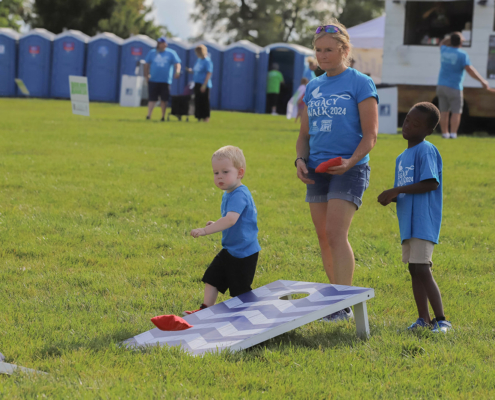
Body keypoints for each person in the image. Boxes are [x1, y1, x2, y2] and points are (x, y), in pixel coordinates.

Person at [295, 19, 378, 322]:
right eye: (318, 50)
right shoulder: (313, 86)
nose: (322, 56)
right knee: (322, 236)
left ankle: (342, 304)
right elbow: (304, 135)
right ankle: (335, 302)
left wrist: (351, 162)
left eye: (329, 50)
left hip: (350, 168)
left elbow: (370, 135)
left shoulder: (360, 82)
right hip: (316, 169)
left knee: (335, 232)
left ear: (344, 50)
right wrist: (300, 161)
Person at [377, 102, 451, 333]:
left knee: (422, 268)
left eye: (416, 124)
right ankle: (423, 319)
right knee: (413, 269)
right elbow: (410, 189)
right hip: (407, 222)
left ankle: (441, 320)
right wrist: (394, 197)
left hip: (423, 220)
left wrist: (396, 190)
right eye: (408, 119)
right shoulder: (402, 157)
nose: (408, 125)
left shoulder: (426, 150)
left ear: (428, 131)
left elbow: (430, 183)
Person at [187, 146, 261, 314]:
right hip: (231, 249)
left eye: (225, 172)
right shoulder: (230, 192)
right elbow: (233, 220)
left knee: (239, 290)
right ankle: (205, 309)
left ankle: (249, 314)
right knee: (212, 277)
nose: (220, 176)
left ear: (240, 173)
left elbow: (230, 220)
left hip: (244, 252)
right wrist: (215, 223)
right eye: (216, 173)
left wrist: (206, 231)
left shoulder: (238, 194)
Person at [437, 32, 491, 139]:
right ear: (461, 42)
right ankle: (453, 134)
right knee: (456, 112)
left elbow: (442, 43)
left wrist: (451, 36)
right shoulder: (462, 54)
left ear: (451, 41)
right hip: (454, 86)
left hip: (441, 85)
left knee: (444, 111)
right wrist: (482, 81)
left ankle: (444, 133)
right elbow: (470, 70)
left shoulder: (444, 50)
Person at [144, 37, 181, 121]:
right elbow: (146, 64)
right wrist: (146, 76)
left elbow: (177, 63)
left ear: (166, 44)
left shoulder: (171, 53)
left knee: (164, 99)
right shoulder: (152, 52)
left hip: (165, 80)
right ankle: (148, 115)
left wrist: (177, 71)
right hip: (153, 79)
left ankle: (163, 116)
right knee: (152, 98)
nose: (161, 45)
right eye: (159, 43)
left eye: (162, 43)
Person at [186, 44, 213, 122]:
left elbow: (209, 73)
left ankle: (206, 117)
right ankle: (199, 117)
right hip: (196, 83)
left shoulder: (207, 61)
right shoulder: (198, 60)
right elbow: (196, 70)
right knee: (198, 100)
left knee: (204, 101)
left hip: (204, 84)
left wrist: (204, 85)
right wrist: (191, 71)